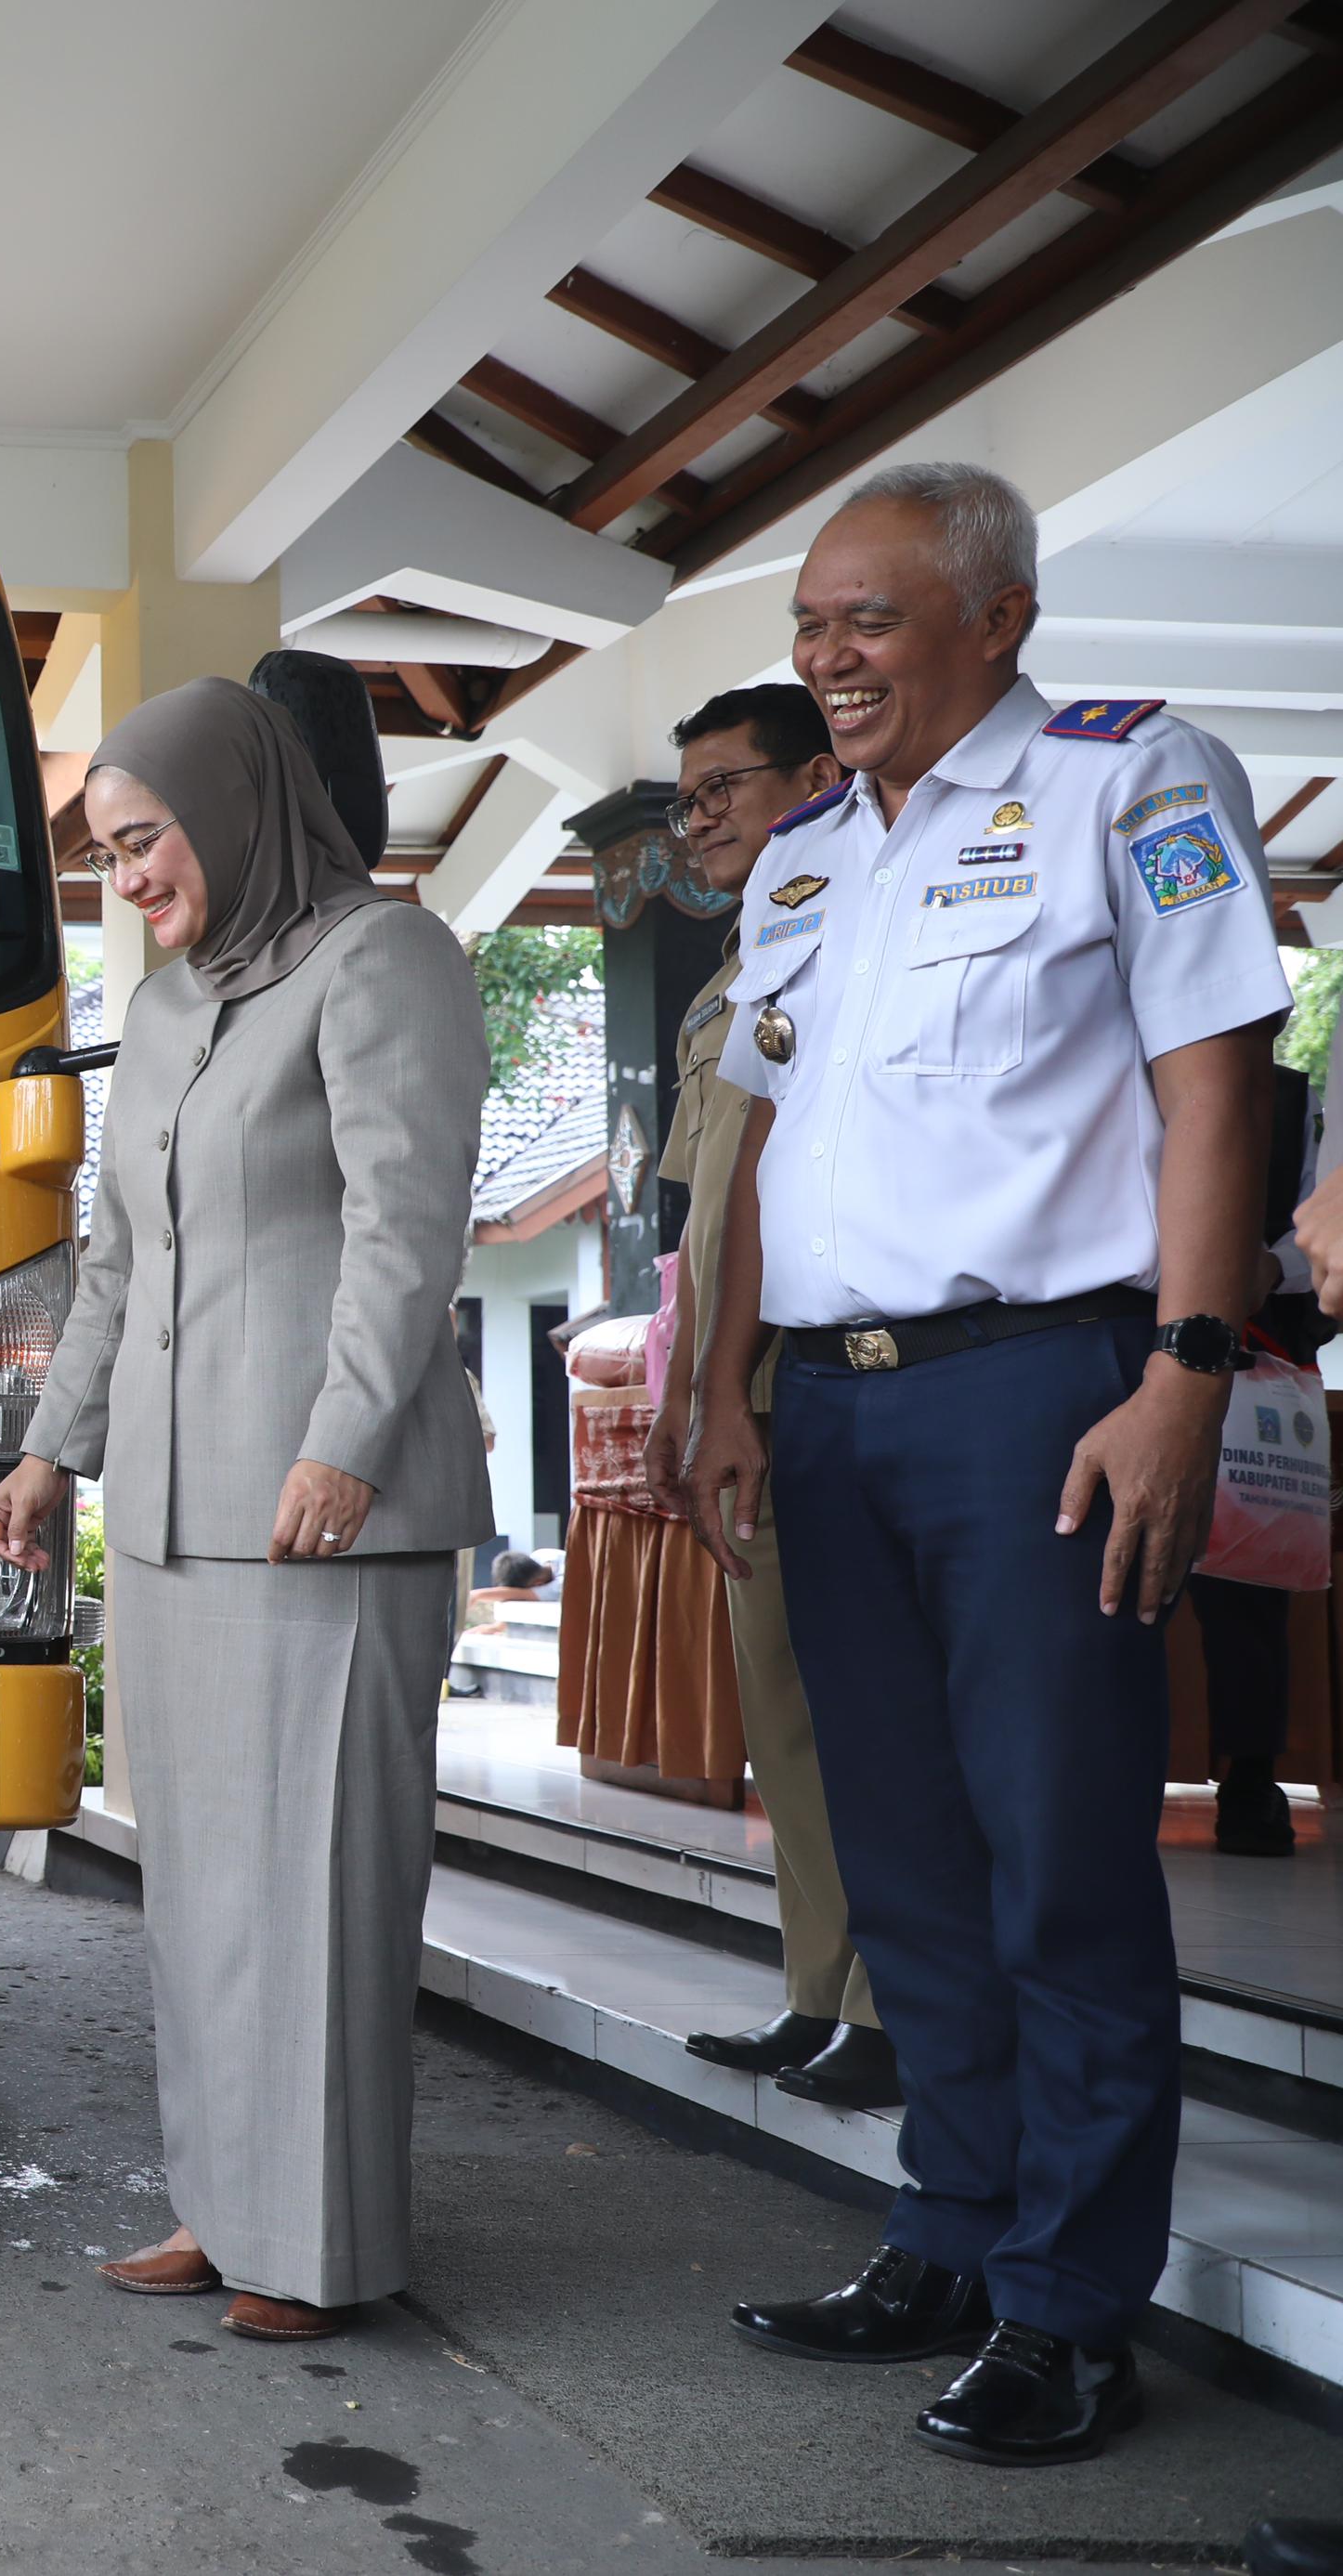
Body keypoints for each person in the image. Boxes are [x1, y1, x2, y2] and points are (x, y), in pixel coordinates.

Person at [685, 462, 1283, 2466]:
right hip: (833, 1406)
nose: (822, 659)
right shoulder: (799, 864)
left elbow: (1219, 1090)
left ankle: (1067, 2299)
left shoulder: (1131, 781)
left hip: (1042, 1388)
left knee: (1059, 1857)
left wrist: (1184, 1371)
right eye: (808, 626)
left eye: (864, 619)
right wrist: (723, 1382)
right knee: (907, 1859)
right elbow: (758, 1150)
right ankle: (945, 2229)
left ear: (994, 617)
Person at [0, 676, 490, 2344]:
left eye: (146, 840)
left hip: (325, 1504)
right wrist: (55, 1450)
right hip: (178, 1516)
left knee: (322, 1885)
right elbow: (116, 1264)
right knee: (201, 1880)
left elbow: (406, 1230)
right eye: (111, 854)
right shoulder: (177, 1007)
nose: (129, 878)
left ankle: (324, 2245)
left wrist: (343, 1439)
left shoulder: (381, 959)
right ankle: (225, 2203)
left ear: (241, 803)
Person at [639, 683, 894, 2112]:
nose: (704, 818)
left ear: (814, 773)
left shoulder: (859, 930)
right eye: (690, 798)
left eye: (725, 786)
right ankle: (820, 1989)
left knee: (856, 1702)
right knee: (779, 1701)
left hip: (839, 1365)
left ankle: (888, 2002)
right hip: (745, 1381)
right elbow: (704, 1217)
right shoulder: (748, 955)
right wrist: (693, 1388)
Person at [1184, 1063, 1322, 1857]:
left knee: (1245, 1592)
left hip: (1246, 1360)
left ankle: (1250, 1781)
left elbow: (1321, 1218)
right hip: (1097, 1344)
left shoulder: (1292, 1099)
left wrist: (1270, 1267)